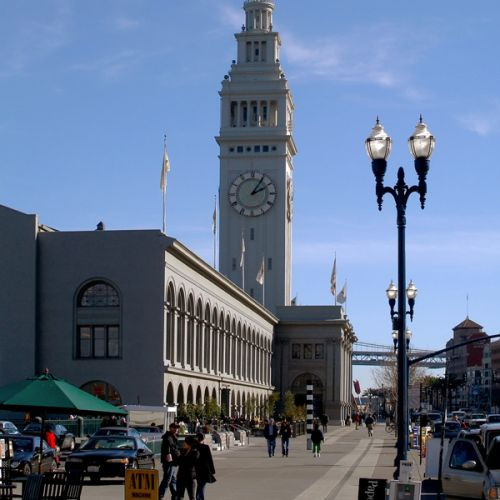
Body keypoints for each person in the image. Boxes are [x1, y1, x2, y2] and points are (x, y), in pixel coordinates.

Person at [159, 422, 180, 500]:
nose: (176, 429)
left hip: (174, 462)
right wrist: (179, 455)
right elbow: (172, 450)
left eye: (177, 428)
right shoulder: (168, 437)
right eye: (174, 427)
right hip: (169, 463)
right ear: (170, 428)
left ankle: (175, 495)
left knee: (173, 480)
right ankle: (160, 495)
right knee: (167, 479)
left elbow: (175, 449)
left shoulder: (173, 436)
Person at [195, 433, 216, 500]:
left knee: (200, 484)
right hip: (204, 469)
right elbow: (209, 459)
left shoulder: (194, 447)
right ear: (203, 439)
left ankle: (199, 497)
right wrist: (212, 470)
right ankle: (199, 498)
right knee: (202, 485)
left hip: (196, 469)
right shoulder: (205, 447)